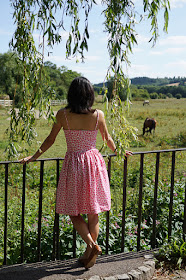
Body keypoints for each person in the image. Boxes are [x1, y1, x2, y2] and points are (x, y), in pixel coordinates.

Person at [20, 77, 132, 269]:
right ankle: (90, 250)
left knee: (73, 210)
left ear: (71, 94)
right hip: (93, 162)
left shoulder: (63, 115)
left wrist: (34, 156)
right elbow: (107, 138)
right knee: (93, 212)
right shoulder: (98, 115)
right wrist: (118, 151)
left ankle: (90, 247)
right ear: (90, 94)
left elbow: (50, 139)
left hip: (74, 163)